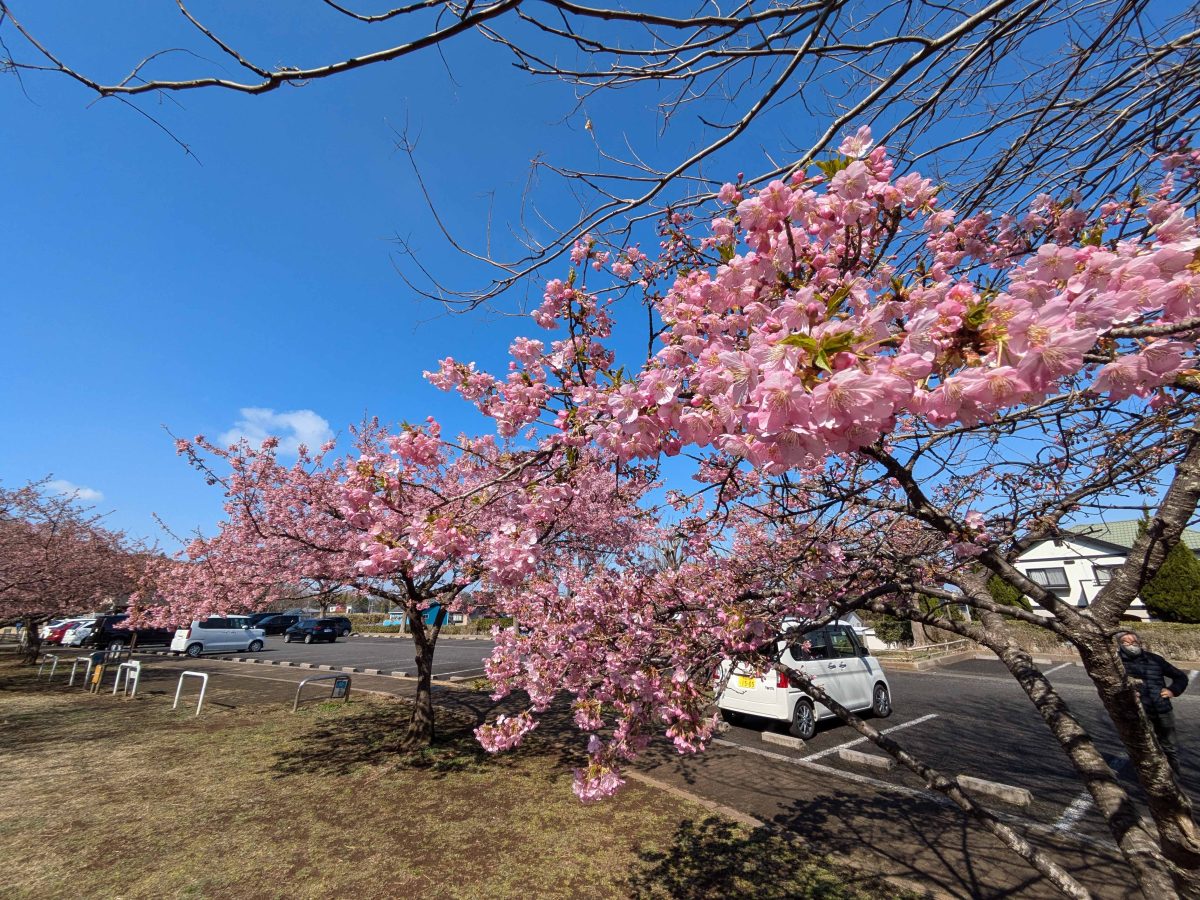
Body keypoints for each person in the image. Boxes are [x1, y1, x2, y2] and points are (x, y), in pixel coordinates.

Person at [1116, 629, 1189, 775]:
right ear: (1120, 645)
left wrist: (1172, 690)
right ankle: (1151, 776)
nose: (1131, 645)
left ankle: (1174, 775)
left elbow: (1181, 677)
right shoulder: (1116, 663)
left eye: (1133, 641)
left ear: (1139, 642)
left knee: (1169, 746)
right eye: (1126, 642)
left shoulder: (1154, 659)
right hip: (1137, 711)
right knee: (1144, 746)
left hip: (1162, 709)